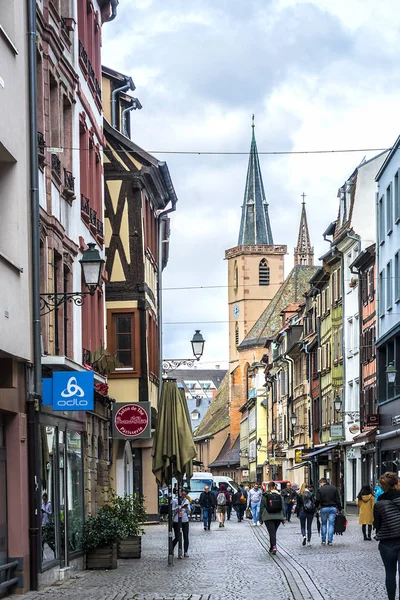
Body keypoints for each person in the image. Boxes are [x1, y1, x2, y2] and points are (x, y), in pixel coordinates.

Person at [374, 472, 400, 600]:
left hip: (387, 543)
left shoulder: (379, 503)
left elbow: (377, 525)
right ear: (396, 484)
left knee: (390, 573)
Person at [259, 481, 285, 555]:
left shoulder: (265, 495)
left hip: (268, 516)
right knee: (273, 532)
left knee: (272, 532)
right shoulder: (279, 495)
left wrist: (260, 518)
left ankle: (274, 546)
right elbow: (283, 507)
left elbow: (262, 507)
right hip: (278, 516)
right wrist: (284, 517)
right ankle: (271, 547)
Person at [315, 477, 342, 546]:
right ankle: (330, 540)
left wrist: (316, 507)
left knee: (323, 524)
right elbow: (338, 499)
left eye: (320, 483)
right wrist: (340, 508)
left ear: (322, 483)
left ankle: (323, 540)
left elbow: (317, 500)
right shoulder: (334, 488)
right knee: (331, 524)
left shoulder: (320, 489)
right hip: (333, 508)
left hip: (324, 508)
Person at [172, 490, 190, 557]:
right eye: (182, 495)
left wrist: (187, 508)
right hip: (176, 520)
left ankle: (185, 551)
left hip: (185, 520)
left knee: (186, 536)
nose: (183, 496)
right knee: (177, 537)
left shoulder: (187, 501)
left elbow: (189, 512)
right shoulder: (175, 501)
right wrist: (179, 507)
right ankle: (172, 546)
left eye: (184, 495)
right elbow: (172, 510)